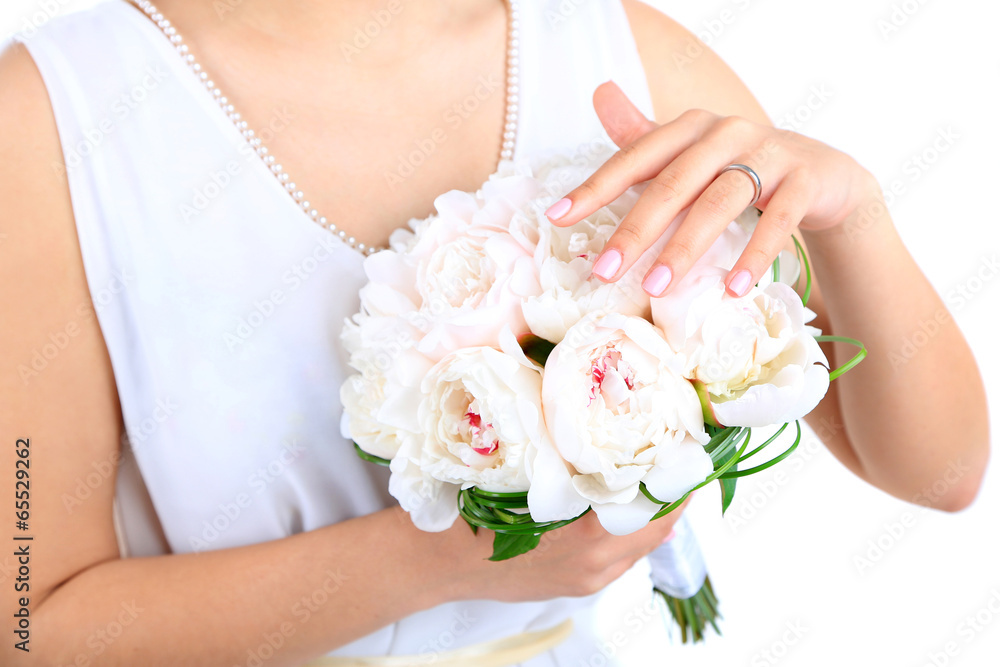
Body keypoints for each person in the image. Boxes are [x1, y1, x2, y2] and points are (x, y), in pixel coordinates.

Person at [0, 0, 988, 665]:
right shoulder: (59, 115)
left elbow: (939, 475)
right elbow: (28, 622)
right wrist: (438, 558)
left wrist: (853, 214)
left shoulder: (617, 48)